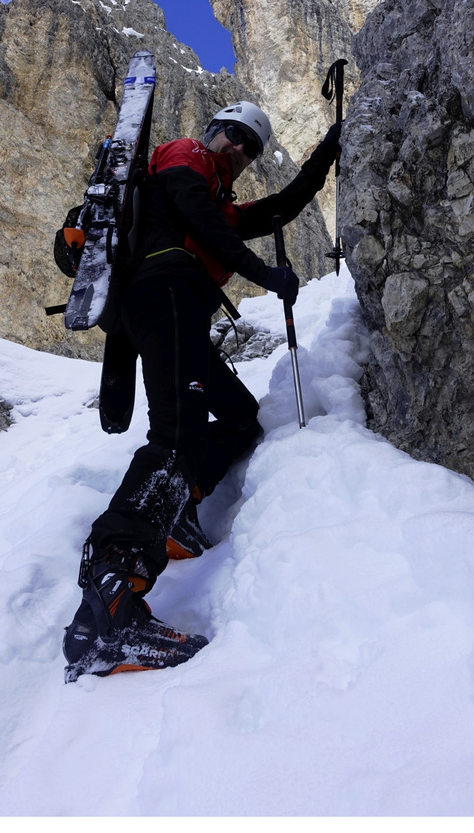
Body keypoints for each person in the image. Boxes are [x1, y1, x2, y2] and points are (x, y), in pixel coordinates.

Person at [63, 101, 341, 682]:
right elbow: (195, 210)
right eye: (235, 136)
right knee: (175, 437)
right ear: (213, 130)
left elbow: (281, 208)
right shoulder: (185, 158)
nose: (240, 151)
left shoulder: (218, 200)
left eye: (251, 148)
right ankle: (114, 586)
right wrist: (266, 275)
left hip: (174, 305)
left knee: (241, 419)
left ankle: (172, 520)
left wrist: (325, 154)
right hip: (163, 291)